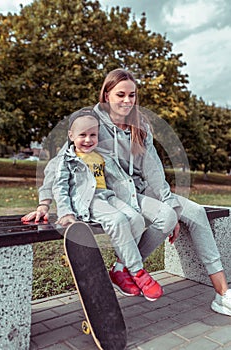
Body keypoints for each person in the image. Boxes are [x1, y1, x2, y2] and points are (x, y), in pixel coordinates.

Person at [22, 68, 231, 316]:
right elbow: (60, 163)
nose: (127, 101)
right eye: (121, 94)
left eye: (132, 95)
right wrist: (44, 203)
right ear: (106, 94)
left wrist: (170, 208)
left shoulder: (140, 126)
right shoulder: (91, 124)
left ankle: (221, 294)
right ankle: (130, 268)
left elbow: (153, 170)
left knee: (195, 212)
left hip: (142, 192)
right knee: (165, 215)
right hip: (113, 196)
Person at [49, 107, 164, 301]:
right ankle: (137, 272)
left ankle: (120, 269)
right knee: (118, 220)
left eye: (93, 135)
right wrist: (65, 212)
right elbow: (59, 187)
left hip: (107, 196)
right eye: (82, 135)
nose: (88, 140)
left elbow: (119, 179)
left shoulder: (101, 156)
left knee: (136, 218)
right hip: (89, 201)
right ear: (71, 135)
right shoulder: (68, 159)